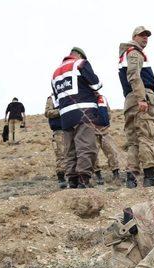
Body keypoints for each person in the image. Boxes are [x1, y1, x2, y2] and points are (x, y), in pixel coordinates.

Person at [51, 47, 103, 188]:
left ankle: (72, 181)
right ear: (79, 55)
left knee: (70, 150)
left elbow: (56, 102)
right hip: (84, 111)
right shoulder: (80, 63)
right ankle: (83, 180)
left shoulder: (55, 73)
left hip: (65, 117)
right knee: (86, 146)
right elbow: (97, 84)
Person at [119, 26, 154, 188]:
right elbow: (134, 75)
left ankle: (131, 177)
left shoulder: (126, 54)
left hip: (130, 99)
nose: (145, 38)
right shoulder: (134, 53)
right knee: (146, 135)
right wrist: (142, 98)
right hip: (140, 98)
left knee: (133, 139)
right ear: (134, 37)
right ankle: (149, 176)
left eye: (147, 36)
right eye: (142, 35)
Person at [93, 94, 122, 185]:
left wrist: (106, 122)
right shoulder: (85, 97)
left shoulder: (103, 98)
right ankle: (98, 175)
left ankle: (116, 174)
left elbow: (108, 112)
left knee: (111, 151)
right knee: (93, 154)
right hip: (92, 131)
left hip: (105, 130)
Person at [44, 95, 67, 189]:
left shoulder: (68, 95)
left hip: (71, 129)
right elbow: (47, 112)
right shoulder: (52, 98)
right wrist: (61, 111)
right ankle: (61, 176)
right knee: (61, 154)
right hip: (59, 130)